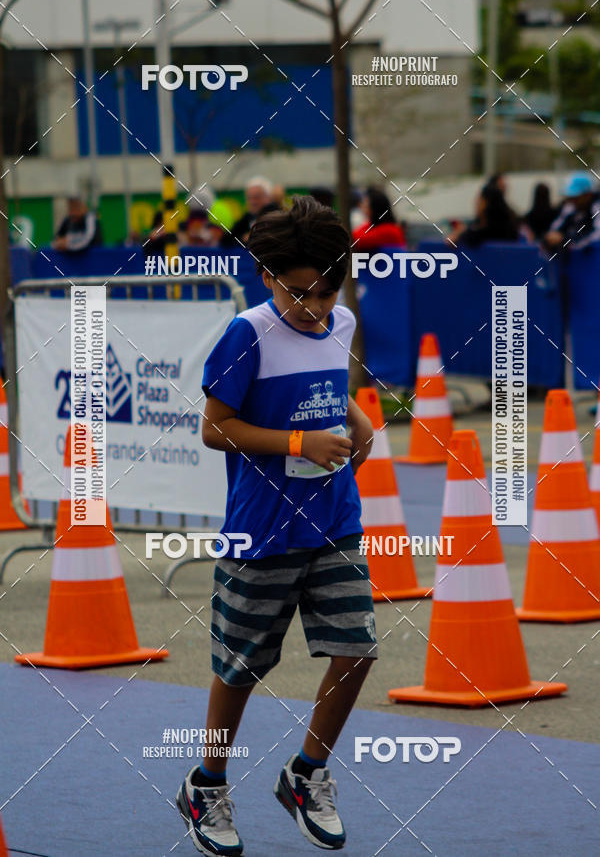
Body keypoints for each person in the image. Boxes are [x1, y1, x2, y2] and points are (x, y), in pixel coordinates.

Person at [176, 195, 377, 856]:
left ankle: (307, 773)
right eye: (298, 293)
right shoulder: (246, 333)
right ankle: (207, 785)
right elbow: (214, 428)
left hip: (334, 521)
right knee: (240, 666)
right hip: (260, 531)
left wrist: (355, 418)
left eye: (325, 291)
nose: (313, 308)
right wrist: (297, 445)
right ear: (265, 275)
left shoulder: (338, 321)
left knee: (357, 648)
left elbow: (323, 378)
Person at [447, 183, 521, 247]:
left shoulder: (500, 229)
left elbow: (477, 236)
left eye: (480, 200)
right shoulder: (477, 224)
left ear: (487, 203)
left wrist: (461, 234)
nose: (476, 203)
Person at [544, 173, 600, 252]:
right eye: (570, 197)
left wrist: (566, 240)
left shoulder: (597, 207)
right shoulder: (570, 207)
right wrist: (551, 237)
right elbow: (555, 229)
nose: (572, 201)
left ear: (588, 195)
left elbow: (597, 237)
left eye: (576, 197)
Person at [230, 176, 279, 244]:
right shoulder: (248, 217)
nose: (252, 202)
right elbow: (227, 239)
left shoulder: (277, 216)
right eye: (249, 198)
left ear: (268, 197)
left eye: (256, 197)